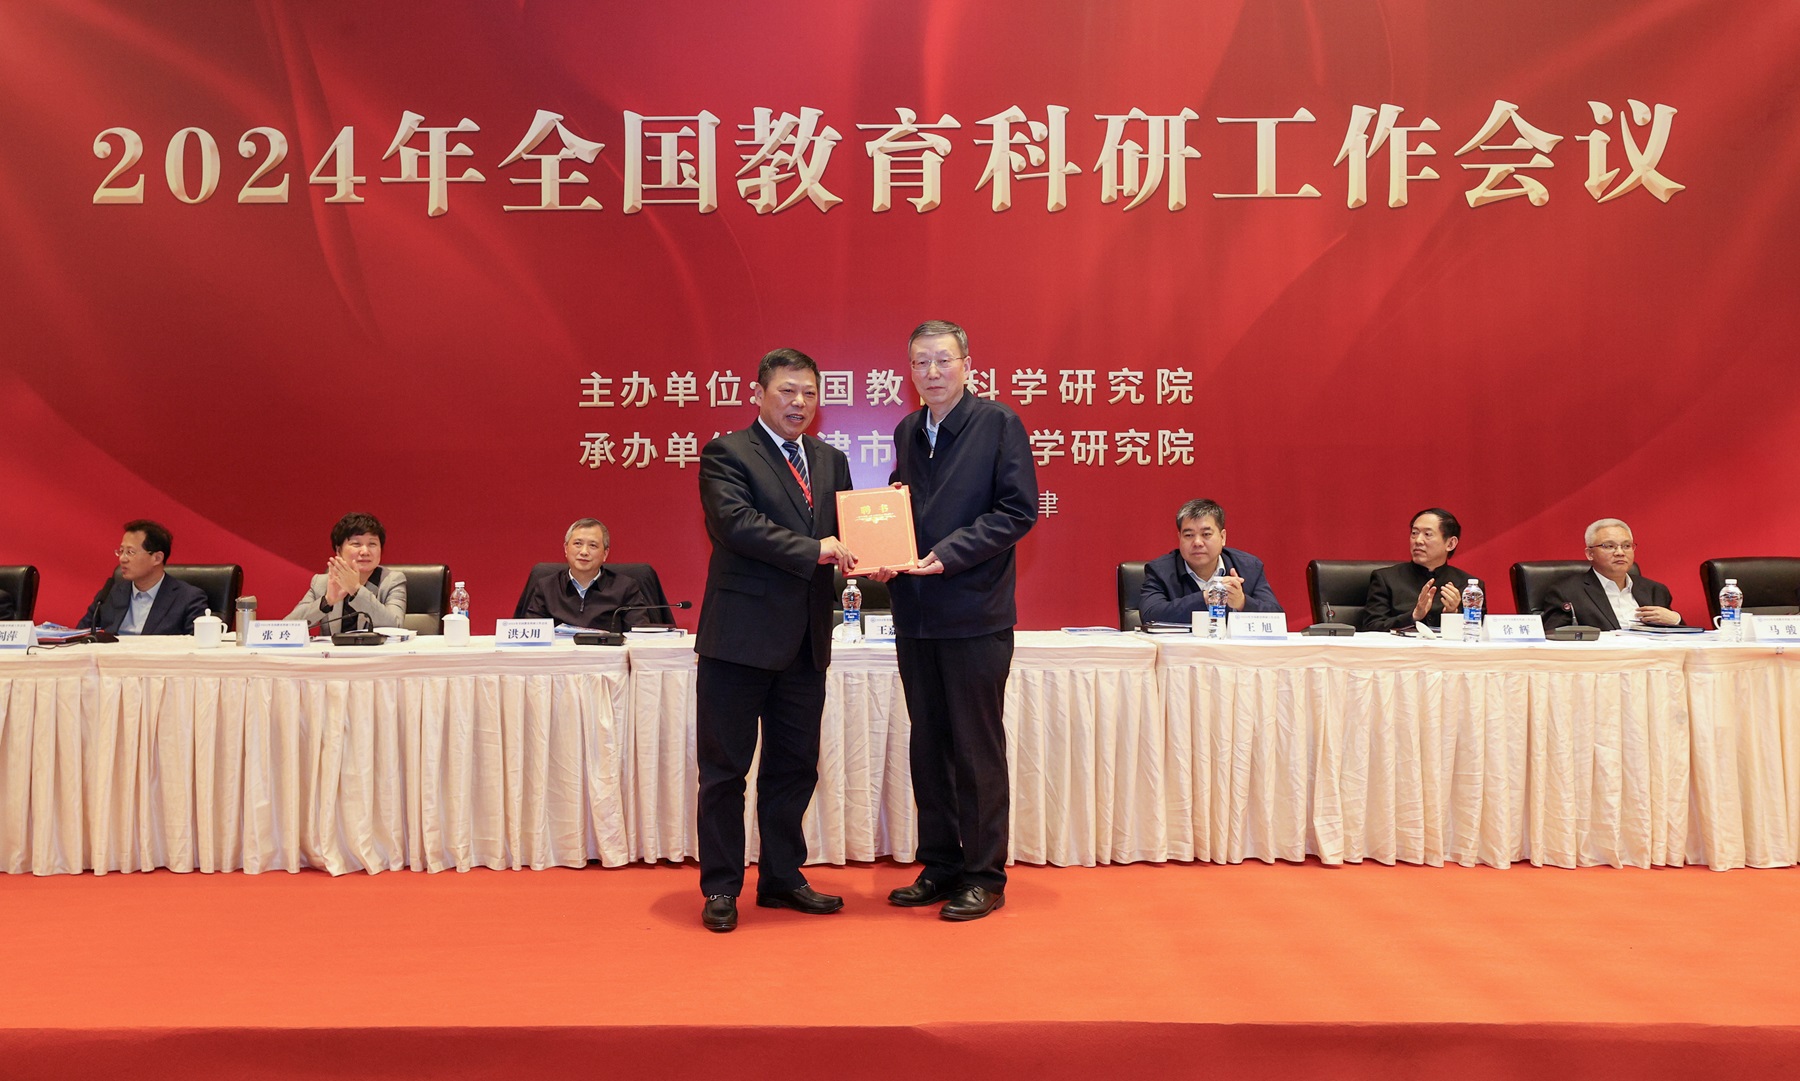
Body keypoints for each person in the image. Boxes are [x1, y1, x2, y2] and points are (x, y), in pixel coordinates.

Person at [869, 320, 1037, 922]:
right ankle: (939, 863)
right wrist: (884, 549)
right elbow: (902, 507)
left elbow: (1017, 510)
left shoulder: (998, 424)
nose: (932, 372)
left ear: (967, 364)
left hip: (973, 613)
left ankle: (984, 875)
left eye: (943, 360)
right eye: (921, 362)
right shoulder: (908, 429)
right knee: (930, 745)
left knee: (975, 749)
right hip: (916, 614)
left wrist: (950, 553)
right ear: (909, 371)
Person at [693, 347, 855, 933]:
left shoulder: (831, 460)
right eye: (787, 391)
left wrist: (875, 552)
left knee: (794, 768)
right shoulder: (728, 453)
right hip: (738, 641)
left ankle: (782, 878)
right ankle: (721, 886)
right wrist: (815, 549)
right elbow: (735, 525)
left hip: (806, 643)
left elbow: (847, 532)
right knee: (725, 770)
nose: (799, 403)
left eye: (809, 393)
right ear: (758, 394)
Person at [1137, 498, 1280, 624]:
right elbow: (1150, 615)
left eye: (1206, 534)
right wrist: (1206, 597)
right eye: (1189, 535)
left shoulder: (1249, 567)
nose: (1197, 542)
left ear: (1222, 537)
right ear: (1179, 538)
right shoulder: (1160, 571)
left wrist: (1242, 602)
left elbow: (1277, 617)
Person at [1540, 518, 1681, 631]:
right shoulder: (1566, 593)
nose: (1620, 552)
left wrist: (1676, 620)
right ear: (1590, 554)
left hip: (1652, 657)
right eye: (1609, 546)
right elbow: (1554, 638)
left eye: (1626, 546)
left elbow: (1681, 639)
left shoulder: (1655, 590)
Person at [518, 518, 661, 629]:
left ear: (605, 554)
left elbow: (639, 637)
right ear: (566, 549)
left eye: (593, 545)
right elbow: (531, 635)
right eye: (578, 544)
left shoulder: (625, 588)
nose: (584, 552)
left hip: (607, 658)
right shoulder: (546, 587)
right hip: (560, 658)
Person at [77, 520, 209, 636]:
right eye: (121, 551)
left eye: (130, 552)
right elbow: (80, 634)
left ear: (157, 558)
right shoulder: (110, 594)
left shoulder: (188, 598)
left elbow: (197, 645)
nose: (122, 559)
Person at [285, 512, 407, 632]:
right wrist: (327, 601)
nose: (365, 551)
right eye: (356, 544)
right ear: (339, 550)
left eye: (372, 544)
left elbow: (395, 626)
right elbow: (287, 628)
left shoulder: (392, 581)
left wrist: (356, 590)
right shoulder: (321, 583)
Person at [1361, 508, 1472, 632]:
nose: (1418, 540)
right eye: (1414, 533)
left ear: (1450, 544)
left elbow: (1477, 633)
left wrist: (1453, 614)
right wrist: (1413, 616)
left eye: (1427, 534)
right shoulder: (1386, 579)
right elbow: (1371, 626)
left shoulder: (1469, 588)